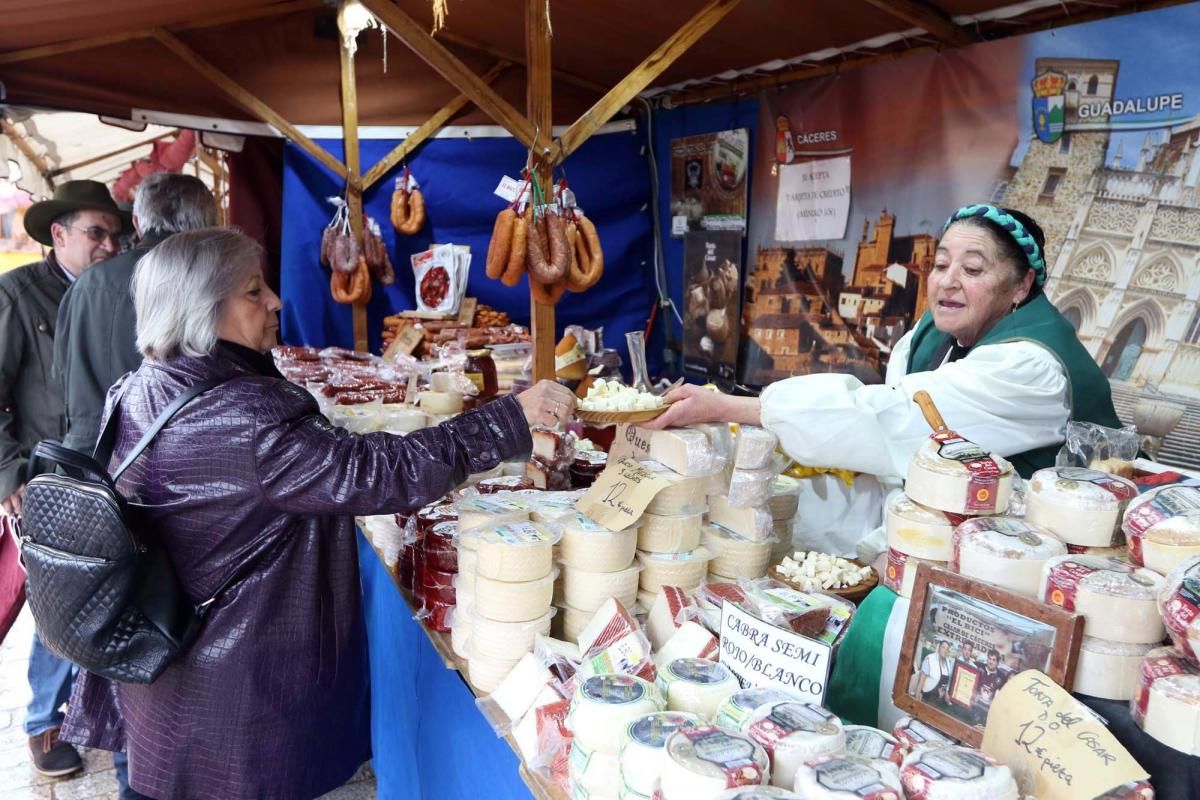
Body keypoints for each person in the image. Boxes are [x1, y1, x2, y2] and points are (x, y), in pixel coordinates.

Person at [60, 228, 577, 799]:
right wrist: (507, 420)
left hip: (168, 677)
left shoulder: (140, 385)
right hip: (235, 700)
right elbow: (378, 473)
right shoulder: (244, 414)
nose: (276, 302)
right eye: (254, 291)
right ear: (205, 311)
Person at [647, 203, 1122, 558]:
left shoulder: (1030, 368)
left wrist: (728, 407)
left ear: (1020, 287)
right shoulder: (930, 334)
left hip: (1016, 558)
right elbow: (893, 449)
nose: (948, 281)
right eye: (940, 265)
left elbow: (893, 419)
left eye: (973, 269)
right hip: (928, 525)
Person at [0, 179, 127, 777]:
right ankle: (43, 723)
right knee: (58, 599)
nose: (107, 245)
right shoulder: (17, 295)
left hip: (114, 468)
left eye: (114, 234)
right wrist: (8, 475)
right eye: (94, 233)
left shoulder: (122, 292)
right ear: (58, 234)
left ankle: (96, 710)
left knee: (106, 595)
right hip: (46, 476)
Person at [55, 172, 217, 455]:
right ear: (212, 224)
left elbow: (60, 375)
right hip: (167, 464)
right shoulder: (210, 282)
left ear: (137, 223)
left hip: (86, 461)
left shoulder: (85, 285)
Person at [918, 640, 952, 706]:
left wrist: (946, 694)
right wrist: (916, 699)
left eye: (947, 649)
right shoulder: (930, 659)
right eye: (943, 647)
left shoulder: (947, 662)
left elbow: (944, 684)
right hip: (926, 698)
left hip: (938, 701)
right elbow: (921, 682)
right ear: (939, 647)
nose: (945, 650)